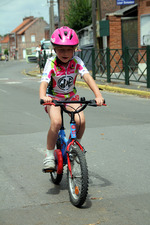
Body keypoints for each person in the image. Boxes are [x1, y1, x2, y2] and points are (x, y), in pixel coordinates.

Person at [39, 26, 104, 170]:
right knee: (56, 122)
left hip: (71, 97)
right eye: (61, 49)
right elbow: (44, 82)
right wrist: (43, 97)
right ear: (55, 49)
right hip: (53, 98)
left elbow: (87, 77)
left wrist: (98, 95)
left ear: (74, 49)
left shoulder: (77, 61)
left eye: (69, 49)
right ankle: (49, 155)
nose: (65, 53)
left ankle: (76, 147)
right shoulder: (51, 63)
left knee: (81, 120)